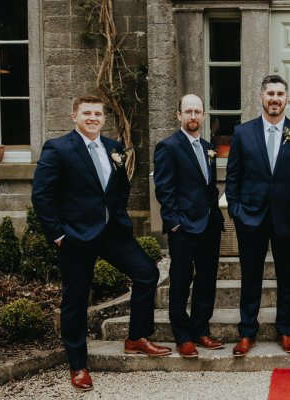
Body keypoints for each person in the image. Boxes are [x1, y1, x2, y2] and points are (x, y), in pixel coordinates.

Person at [32, 95, 171, 392]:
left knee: (147, 273)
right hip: (76, 237)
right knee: (76, 298)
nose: (93, 118)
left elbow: (121, 187)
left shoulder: (113, 148)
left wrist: (118, 214)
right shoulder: (57, 149)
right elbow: (42, 196)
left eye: (97, 113)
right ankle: (78, 364)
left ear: (103, 118)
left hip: (111, 233)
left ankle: (136, 338)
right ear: (74, 116)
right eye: (87, 113)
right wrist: (58, 235)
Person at [225, 75, 290, 357]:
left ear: (286, 99)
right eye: (270, 94)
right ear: (262, 98)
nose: (275, 99)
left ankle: (286, 331)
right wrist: (237, 211)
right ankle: (247, 332)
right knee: (250, 276)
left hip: (287, 219)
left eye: (280, 94)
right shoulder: (242, 132)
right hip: (250, 217)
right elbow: (233, 178)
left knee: (286, 276)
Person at [153, 94, 225, 359]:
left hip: (209, 225)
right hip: (182, 227)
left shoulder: (208, 146)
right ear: (179, 115)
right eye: (188, 111)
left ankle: (201, 330)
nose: (193, 116)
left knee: (206, 280)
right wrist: (173, 223)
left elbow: (207, 187)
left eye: (198, 112)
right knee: (180, 281)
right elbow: (164, 189)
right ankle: (182, 336)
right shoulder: (168, 147)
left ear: (204, 115)